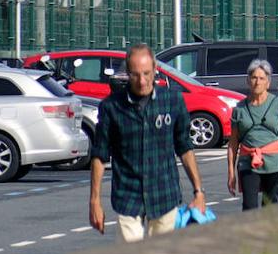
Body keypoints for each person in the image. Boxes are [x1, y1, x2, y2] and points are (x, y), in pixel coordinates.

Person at [88, 43, 206, 241]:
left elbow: (185, 148)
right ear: (127, 73)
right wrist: (94, 201)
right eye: (135, 75)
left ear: (155, 71)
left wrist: (198, 192)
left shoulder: (172, 101)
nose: (141, 81)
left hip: (164, 194)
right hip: (128, 195)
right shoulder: (111, 107)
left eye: (146, 73)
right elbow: (99, 155)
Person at [227, 59, 278, 210]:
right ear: (248, 81)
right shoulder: (240, 108)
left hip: (276, 163)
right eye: (254, 78)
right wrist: (231, 173)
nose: (257, 82)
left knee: (271, 207)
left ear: (268, 83)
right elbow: (233, 144)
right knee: (249, 207)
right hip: (248, 162)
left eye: (262, 78)